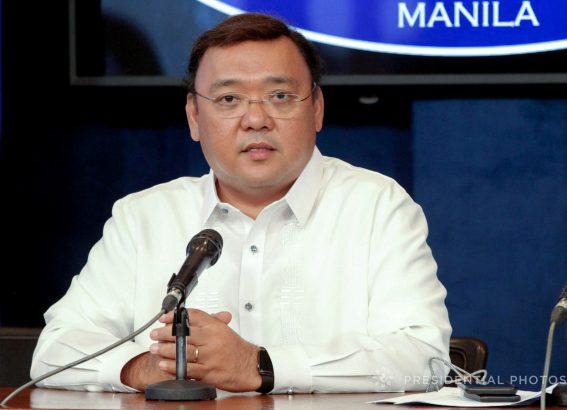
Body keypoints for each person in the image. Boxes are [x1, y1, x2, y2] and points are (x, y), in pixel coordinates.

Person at [31, 12, 451, 394]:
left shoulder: (377, 208)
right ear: (194, 117)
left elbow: (424, 360)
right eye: (229, 99)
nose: (255, 119)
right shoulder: (144, 217)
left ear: (317, 109)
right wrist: (144, 368)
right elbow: (53, 352)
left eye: (280, 96)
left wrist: (260, 366)